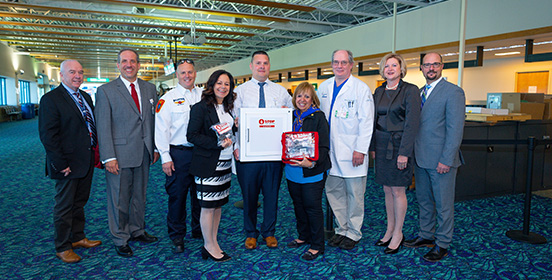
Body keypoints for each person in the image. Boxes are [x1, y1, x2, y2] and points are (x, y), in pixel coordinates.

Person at [95, 48, 160, 257]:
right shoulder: (106, 91)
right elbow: (102, 126)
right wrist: (108, 156)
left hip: (144, 152)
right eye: (124, 61)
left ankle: (137, 230)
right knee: (119, 198)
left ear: (139, 65)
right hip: (118, 155)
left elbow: (153, 121)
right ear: (118, 65)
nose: (129, 65)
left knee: (139, 196)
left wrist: (155, 147)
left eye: (133, 61)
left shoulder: (150, 88)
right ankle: (120, 237)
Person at [38, 59, 102, 263]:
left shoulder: (84, 96)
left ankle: (78, 237)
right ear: (62, 75)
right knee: (64, 206)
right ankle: (63, 246)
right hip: (66, 164)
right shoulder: (51, 99)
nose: (77, 76)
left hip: (85, 160)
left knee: (79, 202)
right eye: (72, 72)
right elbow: (48, 136)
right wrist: (60, 163)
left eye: (80, 72)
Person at [404, 52, 465, 262]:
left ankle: (443, 243)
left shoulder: (453, 92)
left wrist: (446, 159)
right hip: (420, 159)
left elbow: (455, 130)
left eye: (435, 64)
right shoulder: (419, 93)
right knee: (424, 200)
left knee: (443, 204)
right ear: (421, 68)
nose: (431, 68)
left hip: (441, 161)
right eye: (427, 65)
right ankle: (426, 235)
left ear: (442, 66)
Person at [233, 51, 293, 250]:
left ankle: (269, 232)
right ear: (251, 66)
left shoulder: (281, 91)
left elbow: (290, 119)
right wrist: (236, 147)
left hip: (273, 155)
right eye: (258, 63)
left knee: (271, 195)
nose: (262, 66)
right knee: (249, 197)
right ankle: (250, 233)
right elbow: (232, 123)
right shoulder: (239, 92)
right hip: (248, 156)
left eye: (265, 63)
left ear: (269, 66)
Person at [318, 49, 374, 250]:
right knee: (334, 192)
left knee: (355, 195)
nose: (339, 66)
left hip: (353, 153)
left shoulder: (360, 88)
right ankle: (342, 229)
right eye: (335, 62)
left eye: (343, 62)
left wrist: (360, 149)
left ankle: (354, 232)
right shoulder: (324, 87)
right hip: (330, 153)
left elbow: (366, 122)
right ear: (331, 64)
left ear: (351, 64)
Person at [368, 53, 421, 254]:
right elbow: (372, 121)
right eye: (386, 66)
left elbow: (412, 124)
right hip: (381, 146)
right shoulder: (379, 91)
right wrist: (373, 146)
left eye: (394, 65)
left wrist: (404, 153)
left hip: (399, 146)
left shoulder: (410, 90)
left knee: (398, 190)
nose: (390, 69)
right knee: (386, 190)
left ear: (401, 69)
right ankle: (389, 229)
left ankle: (398, 232)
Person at [187, 70, 236, 262]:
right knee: (207, 206)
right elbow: (192, 136)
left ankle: (213, 242)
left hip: (225, 163)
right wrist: (216, 144)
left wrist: (237, 127)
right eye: (219, 83)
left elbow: (226, 131)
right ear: (212, 84)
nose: (223, 87)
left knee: (218, 205)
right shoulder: (200, 107)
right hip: (208, 164)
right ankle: (208, 245)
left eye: (227, 84)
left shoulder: (227, 108)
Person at [155, 58, 202, 254]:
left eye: (190, 72)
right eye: (183, 72)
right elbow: (161, 130)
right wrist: (165, 157)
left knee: (201, 195)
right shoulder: (167, 99)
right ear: (176, 75)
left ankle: (199, 230)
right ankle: (177, 236)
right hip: (178, 154)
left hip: (201, 153)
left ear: (195, 73)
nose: (187, 76)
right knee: (178, 197)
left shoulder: (203, 95)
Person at [284, 82, 331, 261]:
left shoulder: (318, 117)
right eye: (299, 96)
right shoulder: (289, 116)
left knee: (312, 207)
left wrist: (311, 163)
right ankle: (304, 235)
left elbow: (324, 146)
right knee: (298, 205)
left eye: (306, 96)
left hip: (312, 171)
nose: (302, 100)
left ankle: (317, 245)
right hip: (292, 170)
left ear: (313, 99)